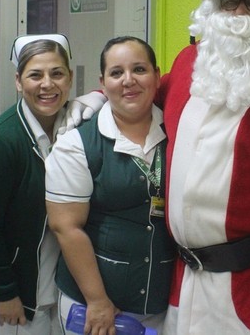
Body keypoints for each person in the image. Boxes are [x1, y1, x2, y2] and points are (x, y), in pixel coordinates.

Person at [67, 0, 250, 334]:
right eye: (228, 1)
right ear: (211, 8)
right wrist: (99, 97)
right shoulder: (191, 64)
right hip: (182, 289)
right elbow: (143, 95)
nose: (239, 13)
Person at [44, 36, 175, 335]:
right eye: (117, 73)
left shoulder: (176, 129)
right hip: (96, 308)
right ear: (103, 83)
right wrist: (97, 300)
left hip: (160, 305)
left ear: (157, 76)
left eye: (139, 69)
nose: (128, 80)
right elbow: (66, 227)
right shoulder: (76, 144)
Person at [0, 34, 74, 334]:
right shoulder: (0, 141)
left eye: (57, 73)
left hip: (57, 289)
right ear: (18, 81)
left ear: (70, 77)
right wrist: (4, 292)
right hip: (15, 294)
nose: (47, 84)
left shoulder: (75, 130)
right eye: (35, 75)